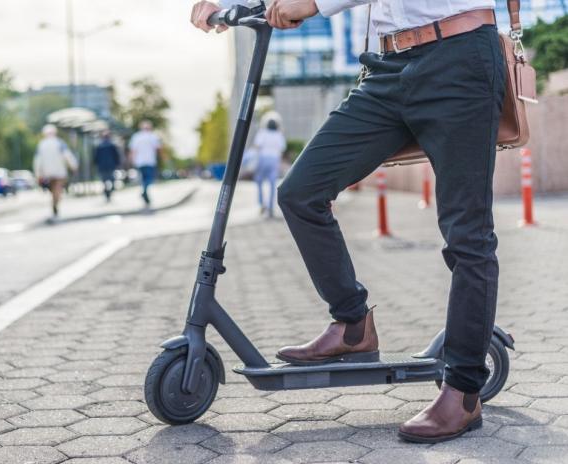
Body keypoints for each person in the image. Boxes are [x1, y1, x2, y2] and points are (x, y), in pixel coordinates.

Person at [192, 0, 505, 443]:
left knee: (467, 235)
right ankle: (353, 324)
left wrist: (313, 4)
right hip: (388, 67)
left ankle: (464, 391)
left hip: (458, 59)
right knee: (300, 192)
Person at [33, 124, 78, 218]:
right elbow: (67, 156)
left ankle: (54, 204)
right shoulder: (60, 143)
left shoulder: (41, 145)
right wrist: (74, 167)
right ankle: (55, 204)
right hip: (59, 172)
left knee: (53, 190)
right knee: (57, 190)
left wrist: (38, 175)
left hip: (47, 173)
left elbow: (37, 161)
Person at [252, 117, 286, 218]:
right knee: (272, 184)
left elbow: (257, 146)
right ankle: (271, 208)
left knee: (259, 180)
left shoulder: (262, 132)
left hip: (263, 158)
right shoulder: (279, 135)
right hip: (274, 160)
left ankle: (262, 203)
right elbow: (282, 148)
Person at [128, 120, 162, 208]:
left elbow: (133, 150)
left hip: (140, 161)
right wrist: (161, 157)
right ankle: (144, 191)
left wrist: (132, 159)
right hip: (150, 161)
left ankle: (144, 192)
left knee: (144, 178)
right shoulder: (152, 136)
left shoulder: (136, 137)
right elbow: (158, 149)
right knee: (149, 178)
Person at [94, 131, 122, 202]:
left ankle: (107, 191)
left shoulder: (99, 146)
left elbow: (96, 158)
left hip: (102, 166)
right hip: (111, 165)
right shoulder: (112, 145)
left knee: (104, 180)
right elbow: (116, 156)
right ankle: (109, 191)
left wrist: (96, 164)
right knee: (112, 180)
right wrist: (117, 164)